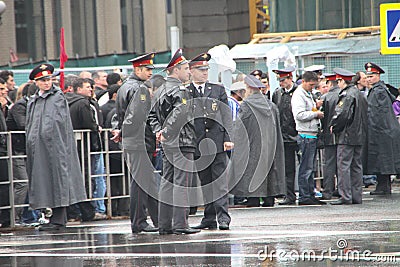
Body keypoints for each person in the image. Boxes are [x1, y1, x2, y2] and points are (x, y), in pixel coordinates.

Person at [25, 64, 87, 231]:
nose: (47, 83)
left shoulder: (57, 97)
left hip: (55, 146)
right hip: (38, 147)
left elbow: (56, 122)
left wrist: (47, 138)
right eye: (43, 80)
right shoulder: (34, 100)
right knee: (43, 181)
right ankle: (50, 216)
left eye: (49, 79)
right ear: (36, 82)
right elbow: (31, 124)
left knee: (58, 180)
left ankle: (59, 219)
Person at [149, 49, 200, 235]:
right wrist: (167, 131)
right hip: (182, 140)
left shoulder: (160, 89)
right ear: (176, 70)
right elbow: (181, 112)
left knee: (167, 182)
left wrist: (159, 132)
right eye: (186, 68)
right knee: (182, 183)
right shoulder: (181, 89)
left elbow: (152, 116)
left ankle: (164, 224)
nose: (189, 72)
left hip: (167, 142)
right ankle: (180, 224)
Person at [112, 53, 159, 234]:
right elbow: (139, 117)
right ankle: (139, 222)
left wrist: (122, 132)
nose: (149, 73)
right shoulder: (138, 88)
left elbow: (122, 116)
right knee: (141, 183)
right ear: (137, 69)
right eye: (147, 69)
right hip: (139, 140)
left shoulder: (126, 87)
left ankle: (158, 219)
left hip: (133, 140)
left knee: (147, 181)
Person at [188, 53, 233, 230]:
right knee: (205, 182)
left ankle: (223, 218)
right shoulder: (186, 91)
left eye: (206, 69)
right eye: (200, 69)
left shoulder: (217, 89)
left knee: (220, 183)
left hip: (217, 141)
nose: (205, 73)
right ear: (191, 71)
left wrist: (228, 138)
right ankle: (209, 217)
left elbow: (226, 115)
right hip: (198, 142)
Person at [230, 75, 286, 207]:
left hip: (253, 145)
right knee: (270, 169)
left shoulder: (247, 105)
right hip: (270, 145)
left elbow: (240, 128)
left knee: (252, 169)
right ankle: (269, 199)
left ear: (249, 89)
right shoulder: (271, 106)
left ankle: (253, 199)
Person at [329, 68, 368, 205]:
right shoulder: (359, 94)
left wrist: (334, 126)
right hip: (359, 135)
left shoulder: (346, 95)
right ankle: (356, 196)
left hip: (346, 135)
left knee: (343, 165)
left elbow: (342, 114)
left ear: (341, 80)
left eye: (338, 81)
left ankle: (345, 195)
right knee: (356, 166)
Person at [291, 71, 326, 205]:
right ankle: (305, 196)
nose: (312, 87)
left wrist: (315, 107)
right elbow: (299, 115)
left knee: (310, 167)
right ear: (304, 81)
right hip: (305, 135)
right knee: (306, 168)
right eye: (311, 85)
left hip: (311, 134)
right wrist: (316, 114)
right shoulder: (299, 95)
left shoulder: (307, 93)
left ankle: (310, 194)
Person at [364, 62, 400, 195]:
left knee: (382, 159)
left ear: (378, 76)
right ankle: (383, 185)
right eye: (367, 76)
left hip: (381, 130)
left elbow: (376, 113)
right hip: (382, 130)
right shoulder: (379, 89)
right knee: (381, 159)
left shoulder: (379, 91)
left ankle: (383, 186)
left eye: (372, 76)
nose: (369, 79)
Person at [271, 67, 298, 205]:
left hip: (298, 135)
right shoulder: (278, 94)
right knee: (288, 168)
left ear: (290, 78)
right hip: (284, 136)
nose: (281, 83)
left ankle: (306, 194)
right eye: (279, 80)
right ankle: (289, 195)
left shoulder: (298, 92)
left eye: (283, 80)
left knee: (306, 167)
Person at [319, 73, 340, 200]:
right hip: (342, 135)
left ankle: (327, 190)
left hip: (329, 135)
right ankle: (341, 189)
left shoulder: (326, 97)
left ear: (329, 84)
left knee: (329, 164)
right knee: (342, 165)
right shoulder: (343, 95)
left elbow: (323, 118)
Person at [0, 78, 10, 228]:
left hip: (2, 149)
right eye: (1, 89)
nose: (5, 91)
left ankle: (7, 218)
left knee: (5, 184)